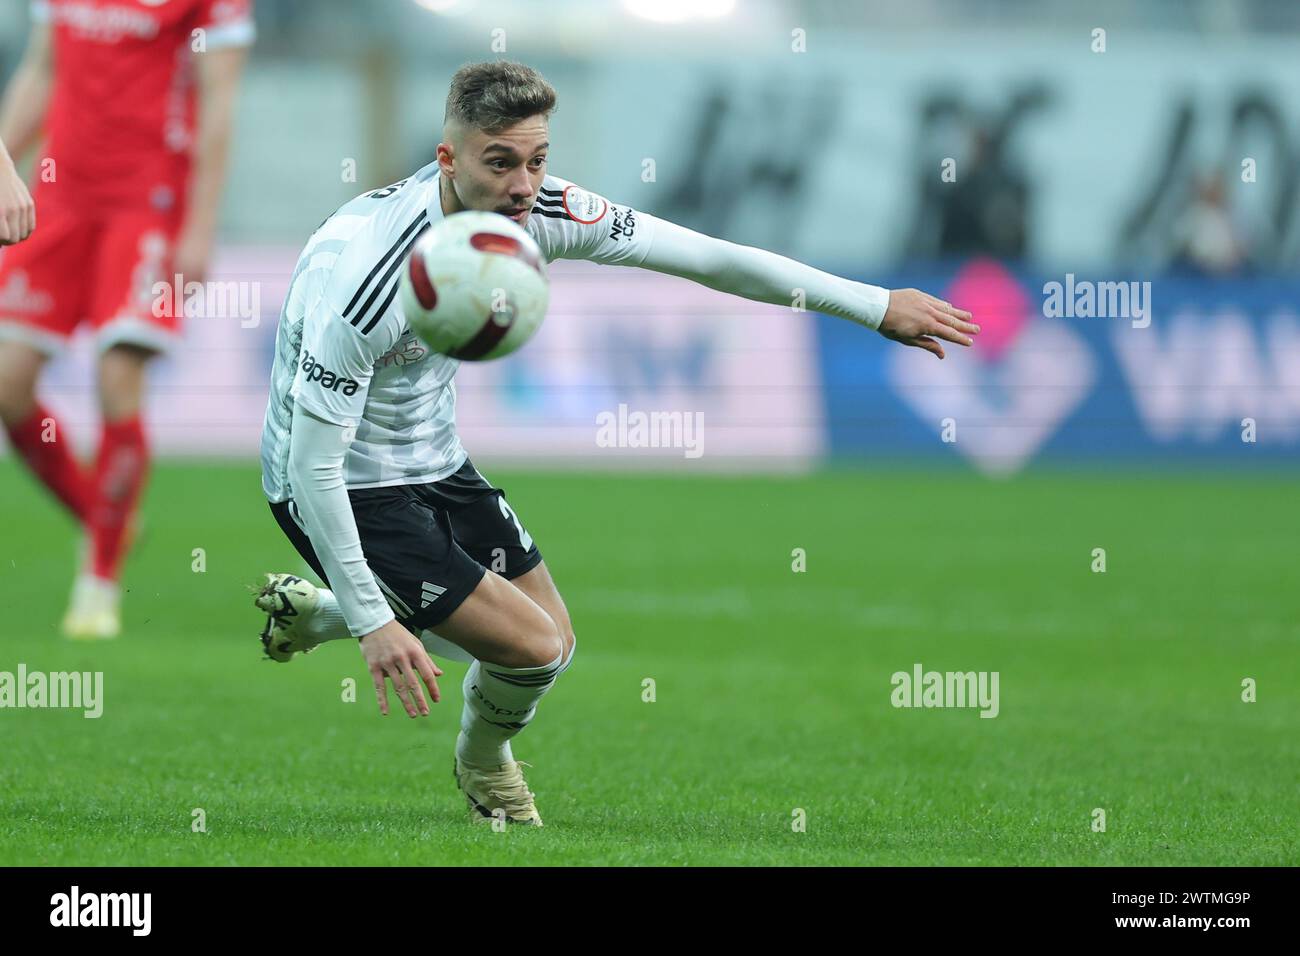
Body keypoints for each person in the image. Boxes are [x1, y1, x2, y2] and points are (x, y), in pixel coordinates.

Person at [254, 60, 978, 826]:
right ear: (448, 159)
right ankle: (482, 764)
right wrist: (375, 626)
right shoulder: (372, 279)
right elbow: (312, 463)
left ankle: (321, 614)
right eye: (499, 163)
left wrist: (873, 305)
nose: (524, 184)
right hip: (338, 485)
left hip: (434, 456)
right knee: (528, 651)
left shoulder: (545, 210)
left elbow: (709, 259)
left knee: (554, 645)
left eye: (536, 160)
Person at [0, 0, 254, 638]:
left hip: (150, 204)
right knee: (7, 383)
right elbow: (40, 69)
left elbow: (219, 100)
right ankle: (105, 517)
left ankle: (98, 582)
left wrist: (199, 227)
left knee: (117, 380)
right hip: (57, 199)